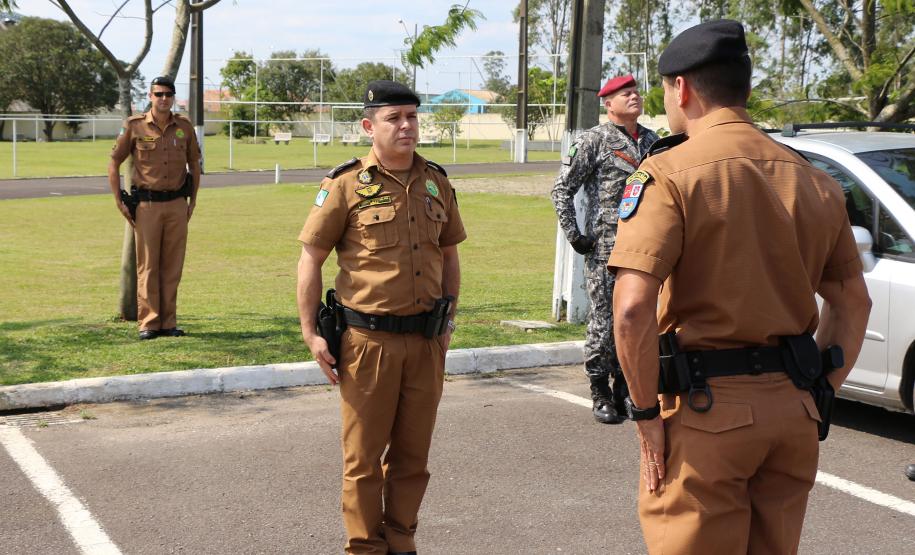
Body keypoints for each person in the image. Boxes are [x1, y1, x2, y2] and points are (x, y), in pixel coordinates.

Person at [608, 20, 872, 553]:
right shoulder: (816, 180)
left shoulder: (668, 175)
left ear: (681, 88)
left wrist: (644, 415)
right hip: (793, 409)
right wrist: (820, 390)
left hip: (707, 412)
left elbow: (632, 309)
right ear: (745, 89)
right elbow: (853, 302)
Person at [295, 80, 465, 555]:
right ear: (369, 126)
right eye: (394, 118)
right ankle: (365, 548)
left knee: (413, 458)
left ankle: (402, 540)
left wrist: (448, 323)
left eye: (412, 116)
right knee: (364, 460)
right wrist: (311, 334)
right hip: (367, 342)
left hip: (425, 341)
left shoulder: (436, 181)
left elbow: (449, 256)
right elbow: (311, 258)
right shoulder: (345, 185)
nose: (406, 126)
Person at [551, 74, 659, 424]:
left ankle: (626, 388)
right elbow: (561, 191)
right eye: (625, 94)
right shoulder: (593, 141)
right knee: (605, 318)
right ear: (607, 103)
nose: (634, 97)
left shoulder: (652, 141)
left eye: (636, 92)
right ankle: (600, 391)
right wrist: (575, 234)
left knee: (641, 318)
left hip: (648, 244)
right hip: (607, 246)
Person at [109, 76, 201, 340]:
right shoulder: (135, 126)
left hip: (176, 205)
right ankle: (148, 322)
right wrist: (118, 200)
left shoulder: (183, 126)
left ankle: (169, 322)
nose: (164, 99)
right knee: (148, 266)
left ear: (173, 97)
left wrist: (192, 201)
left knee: (173, 266)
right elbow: (114, 162)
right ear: (150, 96)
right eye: (158, 94)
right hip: (147, 206)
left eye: (168, 94)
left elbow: (194, 164)